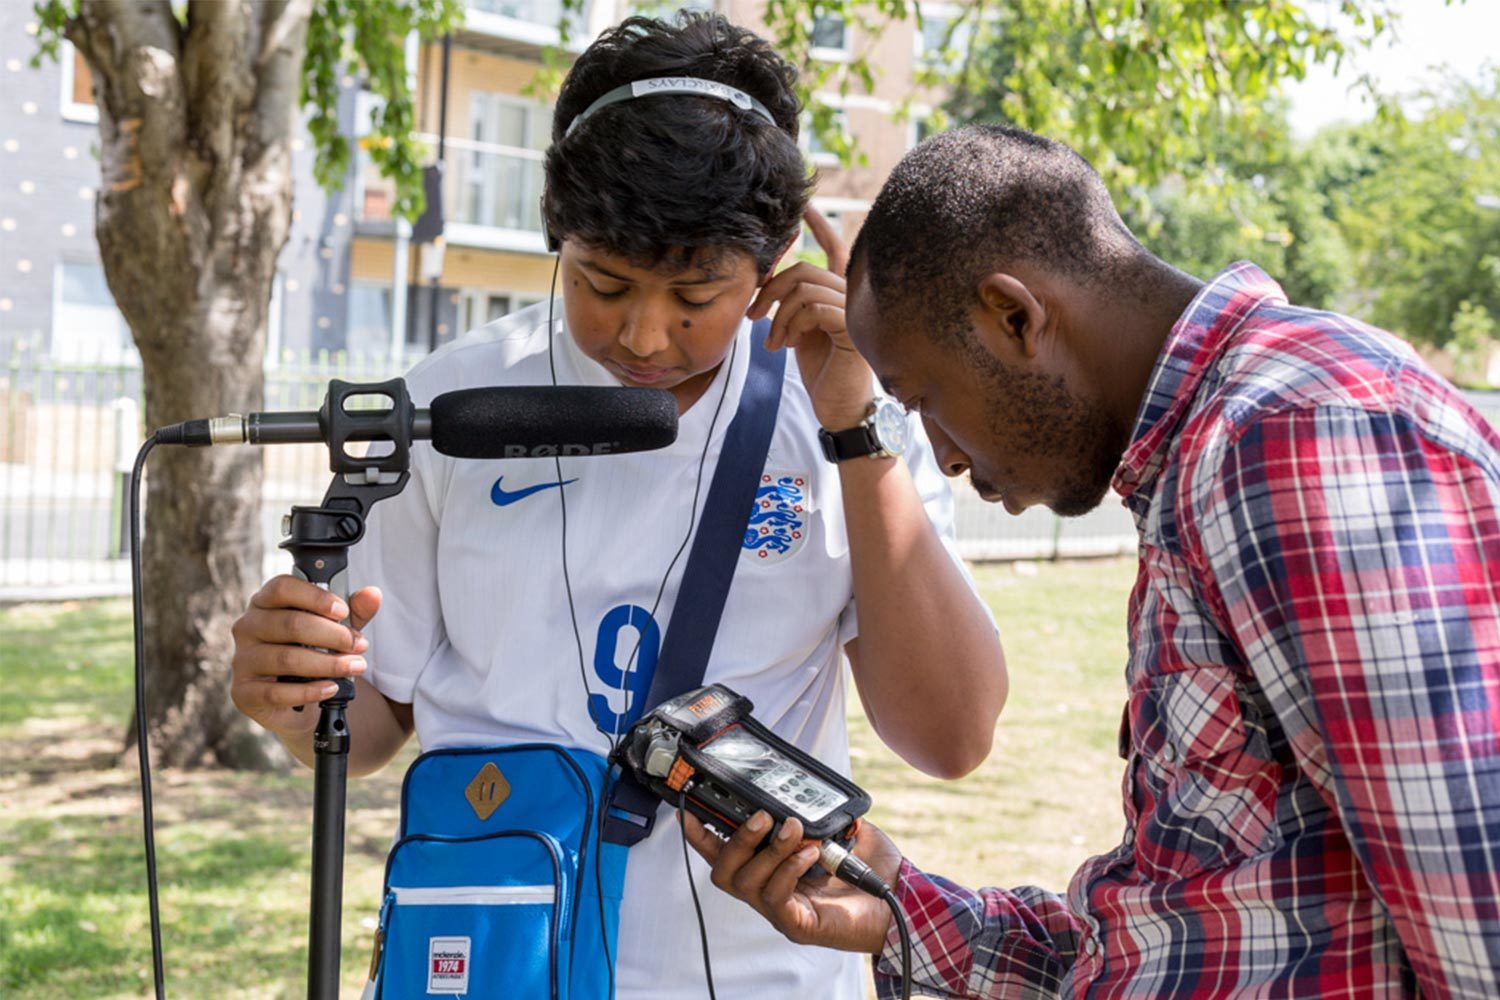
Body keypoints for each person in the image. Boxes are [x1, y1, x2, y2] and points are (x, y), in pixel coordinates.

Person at [229, 15, 1006, 1000]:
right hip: (493, 963)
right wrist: (293, 698)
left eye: (696, 295)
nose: (644, 333)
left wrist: (855, 424)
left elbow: (954, 735)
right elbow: (373, 726)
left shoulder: (847, 412)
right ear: (557, 230)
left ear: (774, 262)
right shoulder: (449, 405)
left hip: (762, 974)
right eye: (603, 283)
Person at [687, 123, 1500, 998]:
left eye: (924, 401)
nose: (947, 460)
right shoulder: (1204, 460)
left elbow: (1477, 910)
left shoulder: (1289, 433)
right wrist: (900, 903)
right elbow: (1186, 931)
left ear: (1014, 316)